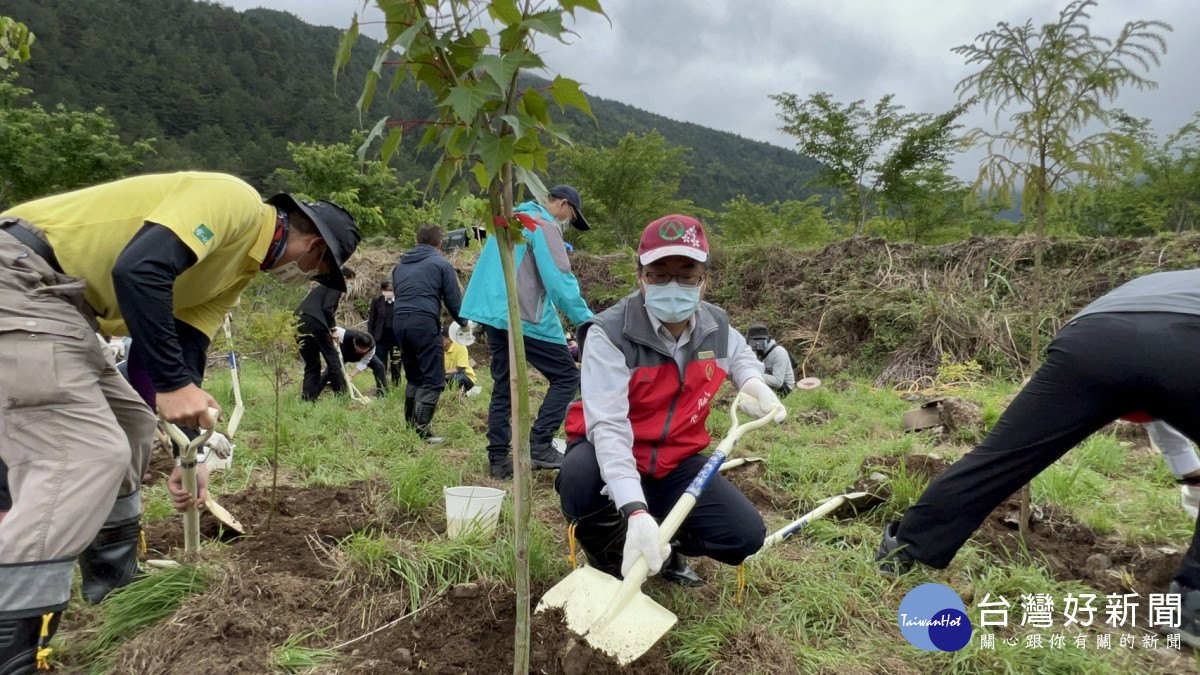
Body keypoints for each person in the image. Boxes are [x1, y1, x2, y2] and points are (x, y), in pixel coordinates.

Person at [0, 171, 358, 671]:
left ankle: (115, 582)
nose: (310, 279)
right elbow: (139, 270)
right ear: (314, 246)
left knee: (132, 429)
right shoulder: (234, 202)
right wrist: (172, 385)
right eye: (319, 270)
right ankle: (13, 651)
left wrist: (191, 455)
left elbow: (179, 348)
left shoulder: (234, 273)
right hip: (22, 274)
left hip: (66, 309)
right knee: (81, 455)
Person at [874, 269, 1200, 646]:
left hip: (1090, 340)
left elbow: (1152, 388)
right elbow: (1166, 372)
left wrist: (1189, 475)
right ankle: (1192, 610)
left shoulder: (1162, 280)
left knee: (1001, 456)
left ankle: (902, 548)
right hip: (1185, 338)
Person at [555, 215, 786, 586]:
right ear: (641, 276)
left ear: (704, 280)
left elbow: (739, 352)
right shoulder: (609, 334)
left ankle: (666, 540)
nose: (673, 284)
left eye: (686, 274)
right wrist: (633, 510)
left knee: (744, 536)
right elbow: (610, 427)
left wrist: (754, 383)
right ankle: (609, 559)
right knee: (579, 478)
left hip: (674, 459)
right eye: (659, 274)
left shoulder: (716, 325)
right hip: (609, 453)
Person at [460, 185, 594, 479]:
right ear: (562, 204)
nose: (568, 223)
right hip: (522, 316)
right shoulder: (542, 224)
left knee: (505, 384)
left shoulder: (510, 219)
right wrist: (587, 321)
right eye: (571, 217)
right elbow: (559, 282)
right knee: (567, 376)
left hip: (494, 313)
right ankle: (540, 444)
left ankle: (498, 460)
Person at [392, 224, 464, 443]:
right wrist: (465, 323)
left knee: (414, 376)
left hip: (399, 322)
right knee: (433, 379)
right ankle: (422, 430)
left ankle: (410, 426)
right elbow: (453, 300)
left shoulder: (399, 267)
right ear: (440, 243)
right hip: (423, 321)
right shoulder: (441, 264)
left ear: (416, 241)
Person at [296, 266, 355, 401]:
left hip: (299, 323)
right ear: (344, 279)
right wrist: (333, 329)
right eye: (350, 283)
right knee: (333, 360)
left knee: (312, 364)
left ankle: (308, 399)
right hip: (315, 322)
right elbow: (327, 308)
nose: (350, 286)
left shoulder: (321, 288)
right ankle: (342, 396)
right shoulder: (335, 285)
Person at [325, 326, 387, 395]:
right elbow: (331, 328)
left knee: (379, 366)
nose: (362, 351)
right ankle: (315, 392)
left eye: (364, 350)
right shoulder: (345, 334)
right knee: (330, 370)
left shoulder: (372, 347)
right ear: (355, 343)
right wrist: (333, 338)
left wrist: (351, 376)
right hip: (343, 354)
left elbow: (363, 363)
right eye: (360, 349)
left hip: (363, 357)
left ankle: (382, 393)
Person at [746, 323, 795, 396]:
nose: (757, 344)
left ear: (768, 339)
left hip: (784, 389)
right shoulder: (754, 351)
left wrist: (755, 374)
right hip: (768, 383)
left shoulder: (778, 352)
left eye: (760, 340)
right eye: (754, 341)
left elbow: (778, 382)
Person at [368, 278, 402, 387]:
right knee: (380, 365)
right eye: (386, 290)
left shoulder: (400, 302)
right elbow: (371, 321)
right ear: (382, 290)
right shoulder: (376, 302)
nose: (389, 292)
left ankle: (396, 386)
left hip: (396, 340)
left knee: (396, 365)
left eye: (391, 290)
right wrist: (371, 337)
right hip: (380, 339)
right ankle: (381, 388)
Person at [443, 325, 478, 392]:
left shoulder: (460, 346)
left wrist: (444, 372)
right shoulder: (438, 348)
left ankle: (460, 395)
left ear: (449, 339)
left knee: (454, 377)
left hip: (466, 377)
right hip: (447, 376)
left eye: (441, 338)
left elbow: (460, 369)